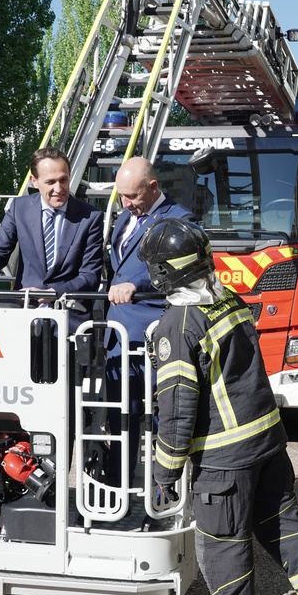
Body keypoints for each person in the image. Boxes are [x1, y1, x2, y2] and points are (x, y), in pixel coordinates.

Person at [138, 217, 298, 595]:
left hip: (224, 458)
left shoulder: (178, 324)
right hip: (267, 442)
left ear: (165, 273)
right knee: (284, 526)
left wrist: (164, 472)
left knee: (223, 547)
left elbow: (178, 412)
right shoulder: (230, 302)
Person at [102, 157, 195, 485]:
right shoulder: (123, 219)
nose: (126, 204)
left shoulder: (179, 220)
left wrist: (137, 286)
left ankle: (164, 495)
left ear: (153, 187)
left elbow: (183, 271)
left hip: (157, 338)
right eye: (122, 196)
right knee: (119, 420)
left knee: (162, 423)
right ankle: (118, 492)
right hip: (118, 339)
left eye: (133, 197)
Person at [0, 148, 104, 327]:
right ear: (34, 181)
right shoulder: (20, 208)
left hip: (70, 317)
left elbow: (90, 276)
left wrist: (52, 292)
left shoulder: (90, 217)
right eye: (50, 182)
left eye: (63, 180)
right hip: (24, 314)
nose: (59, 188)